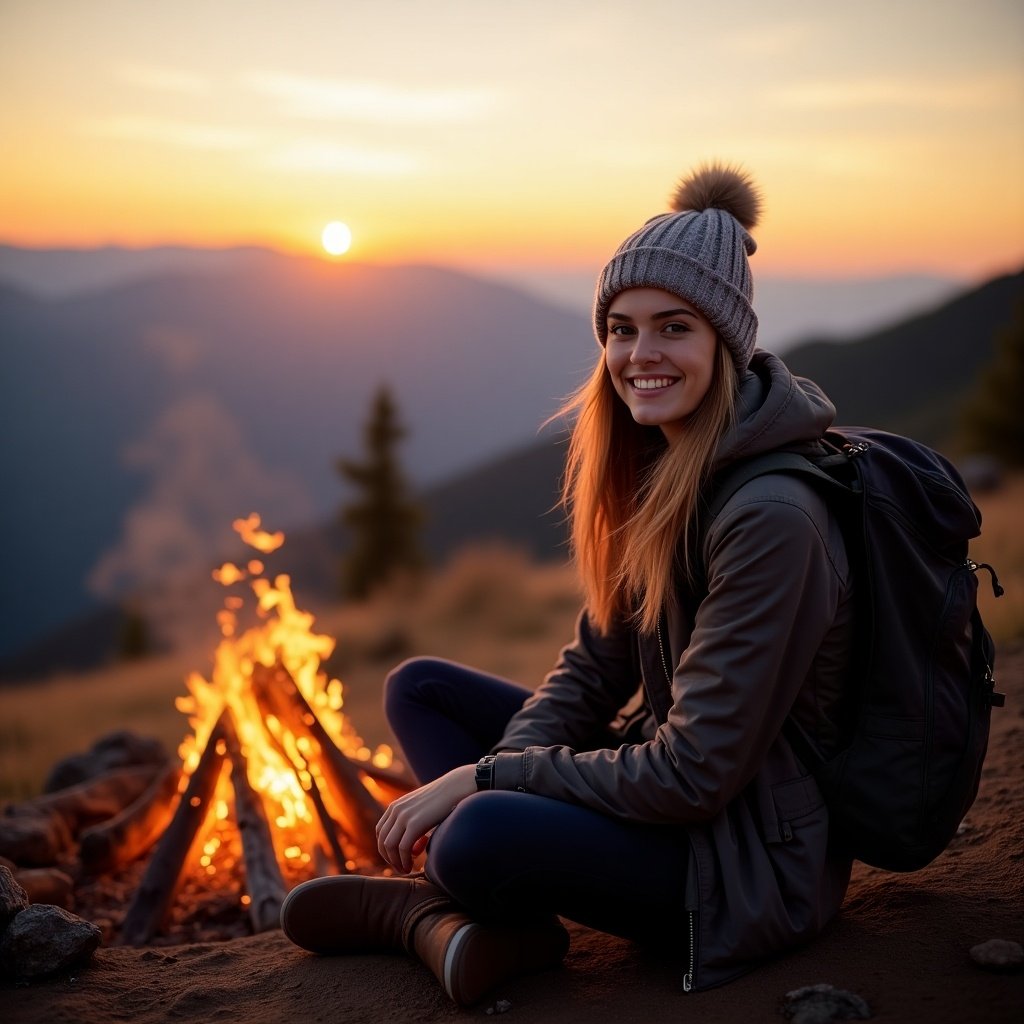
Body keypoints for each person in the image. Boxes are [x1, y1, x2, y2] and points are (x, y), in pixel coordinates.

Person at [280, 162, 855, 1004]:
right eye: (620, 329)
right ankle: (482, 913)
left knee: (476, 831)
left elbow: (694, 773)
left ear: (725, 344)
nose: (639, 355)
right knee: (422, 690)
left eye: (673, 328)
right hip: (670, 805)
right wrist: (510, 761)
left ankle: (432, 913)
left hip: (741, 863)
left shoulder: (772, 517)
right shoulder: (665, 467)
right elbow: (593, 669)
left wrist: (482, 782)